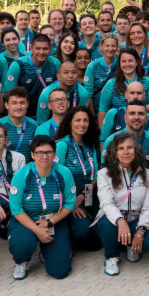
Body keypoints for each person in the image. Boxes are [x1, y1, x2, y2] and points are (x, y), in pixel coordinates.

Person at [6, 135, 76, 280]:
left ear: (54, 154)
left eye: (48, 152)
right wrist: (37, 230)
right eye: (39, 152)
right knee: (22, 244)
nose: (44, 156)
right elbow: (16, 209)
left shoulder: (64, 172)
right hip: (27, 219)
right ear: (32, 155)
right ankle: (21, 261)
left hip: (53, 219)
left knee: (60, 272)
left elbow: (69, 204)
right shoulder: (21, 175)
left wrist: (50, 222)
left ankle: (48, 252)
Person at [95, 132, 149, 276]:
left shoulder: (147, 174)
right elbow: (106, 203)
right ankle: (111, 257)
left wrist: (140, 232)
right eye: (121, 148)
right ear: (115, 152)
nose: (126, 152)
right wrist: (120, 221)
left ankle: (131, 245)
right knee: (107, 225)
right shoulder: (103, 174)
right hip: (113, 219)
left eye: (130, 147)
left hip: (135, 219)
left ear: (136, 150)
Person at [54, 106, 102, 248]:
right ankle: (66, 234)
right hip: (66, 198)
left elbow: (94, 176)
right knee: (82, 229)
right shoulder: (62, 145)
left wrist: (83, 195)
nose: (82, 124)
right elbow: (56, 179)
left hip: (87, 193)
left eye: (85, 120)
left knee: (96, 243)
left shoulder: (90, 145)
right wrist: (72, 204)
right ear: (70, 122)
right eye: (78, 120)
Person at [97, 49, 149, 125]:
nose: (127, 64)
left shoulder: (148, 81)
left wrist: (135, 110)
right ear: (119, 63)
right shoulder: (111, 83)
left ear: (136, 62)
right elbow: (103, 109)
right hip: (118, 125)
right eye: (124, 61)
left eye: (130, 61)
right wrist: (102, 131)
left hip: (141, 123)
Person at [3, 35, 60, 118]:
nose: (41, 52)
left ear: (50, 49)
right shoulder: (18, 65)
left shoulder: (55, 63)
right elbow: (9, 95)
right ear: (31, 48)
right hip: (23, 115)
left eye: (45, 49)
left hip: (47, 114)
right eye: (38, 48)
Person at [0, 87, 38, 164]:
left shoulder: (35, 126)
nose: (19, 107)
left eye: (22, 103)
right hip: (5, 169)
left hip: (28, 169)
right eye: (14, 103)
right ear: (6, 105)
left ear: (27, 104)